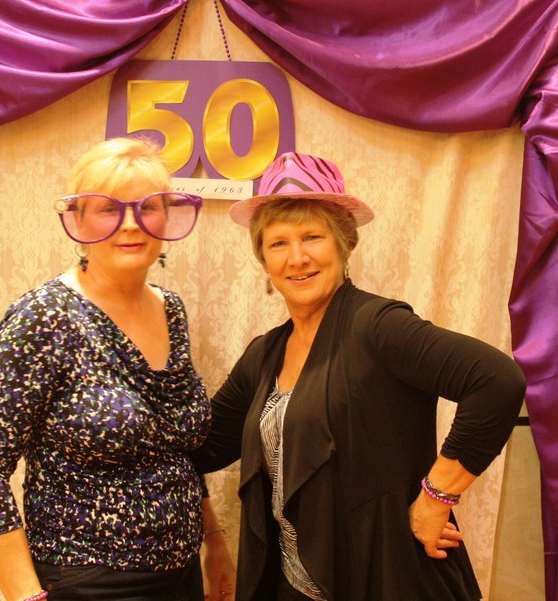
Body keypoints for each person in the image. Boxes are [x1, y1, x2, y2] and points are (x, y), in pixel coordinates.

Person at [191, 152, 527, 600]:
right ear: (263, 259)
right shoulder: (264, 354)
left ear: (344, 245)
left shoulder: (377, 326)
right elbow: (201, 448)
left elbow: (496, 381)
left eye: (312, 237)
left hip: (388, 580)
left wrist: (437, 497)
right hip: (290, 588)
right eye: (278, 243)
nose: (297, 258)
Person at [0, 138, 236, 601]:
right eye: (109, 208)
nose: (130, 224)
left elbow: (176, 452)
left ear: (167, 217)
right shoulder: (44, 317)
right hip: (85, 580)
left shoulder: (171, 309)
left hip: (182, 575)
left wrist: (213, 543)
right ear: (79, 220)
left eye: (148, 207)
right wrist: (25, 596)